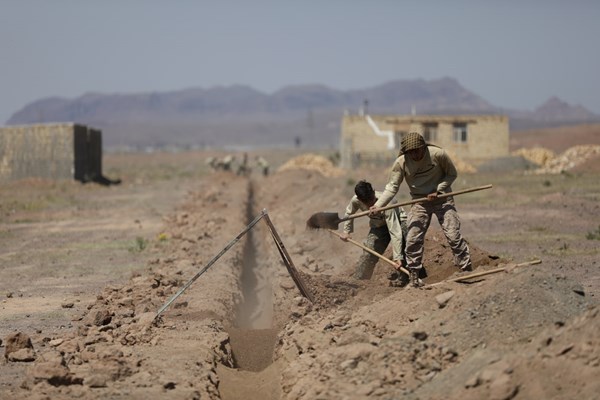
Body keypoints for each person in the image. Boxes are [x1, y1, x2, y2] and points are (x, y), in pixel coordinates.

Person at [371, 131, 472, 287]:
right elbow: (392, 187)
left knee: (453, 235)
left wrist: (438, 190)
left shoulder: (438, 154)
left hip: (443, 199)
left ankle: (466, 270)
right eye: (411, 152)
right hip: (419, 202)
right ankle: (414, 277)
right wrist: (378, 206)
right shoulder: (401, 163)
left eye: (417, 150)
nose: (415, 155)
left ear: (423, 147)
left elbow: (452, 174)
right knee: (412, 239)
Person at [339, 180, 408, 283]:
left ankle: (409, 276)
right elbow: (349, 213)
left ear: (374, 192)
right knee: (368, 252)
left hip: (398, 221)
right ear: (360, 199)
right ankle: (359, 282)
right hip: (379, 225)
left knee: (406, 248)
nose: (372, 203)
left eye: (372, 199)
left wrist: (397, 257)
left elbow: (395, 231)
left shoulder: (387, 203)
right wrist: (346, 231)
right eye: (367, 202)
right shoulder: (355, 200)